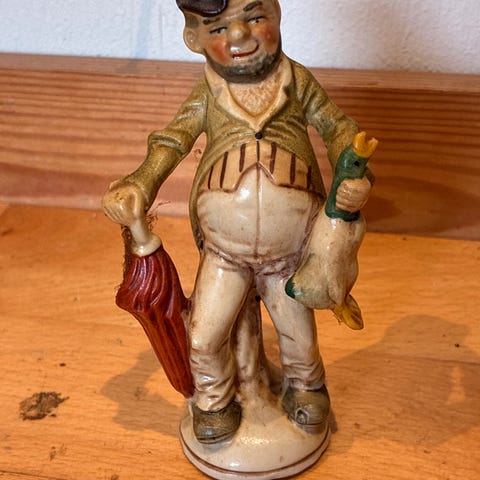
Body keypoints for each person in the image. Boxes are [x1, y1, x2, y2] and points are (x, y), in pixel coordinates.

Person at [102, 0, 373, 445]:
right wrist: (142, 181)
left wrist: (354, 172)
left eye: (254, 17)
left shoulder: (296, 81)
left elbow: (337, 127)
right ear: (193, 39)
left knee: (299, 338)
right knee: (205, 336)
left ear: (277, 14)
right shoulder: (208, 91)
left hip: (289, 254)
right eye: (218, 28)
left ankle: (306, 389)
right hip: (224, 253)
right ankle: (214, 401)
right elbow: (173, 139)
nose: (240, 36)